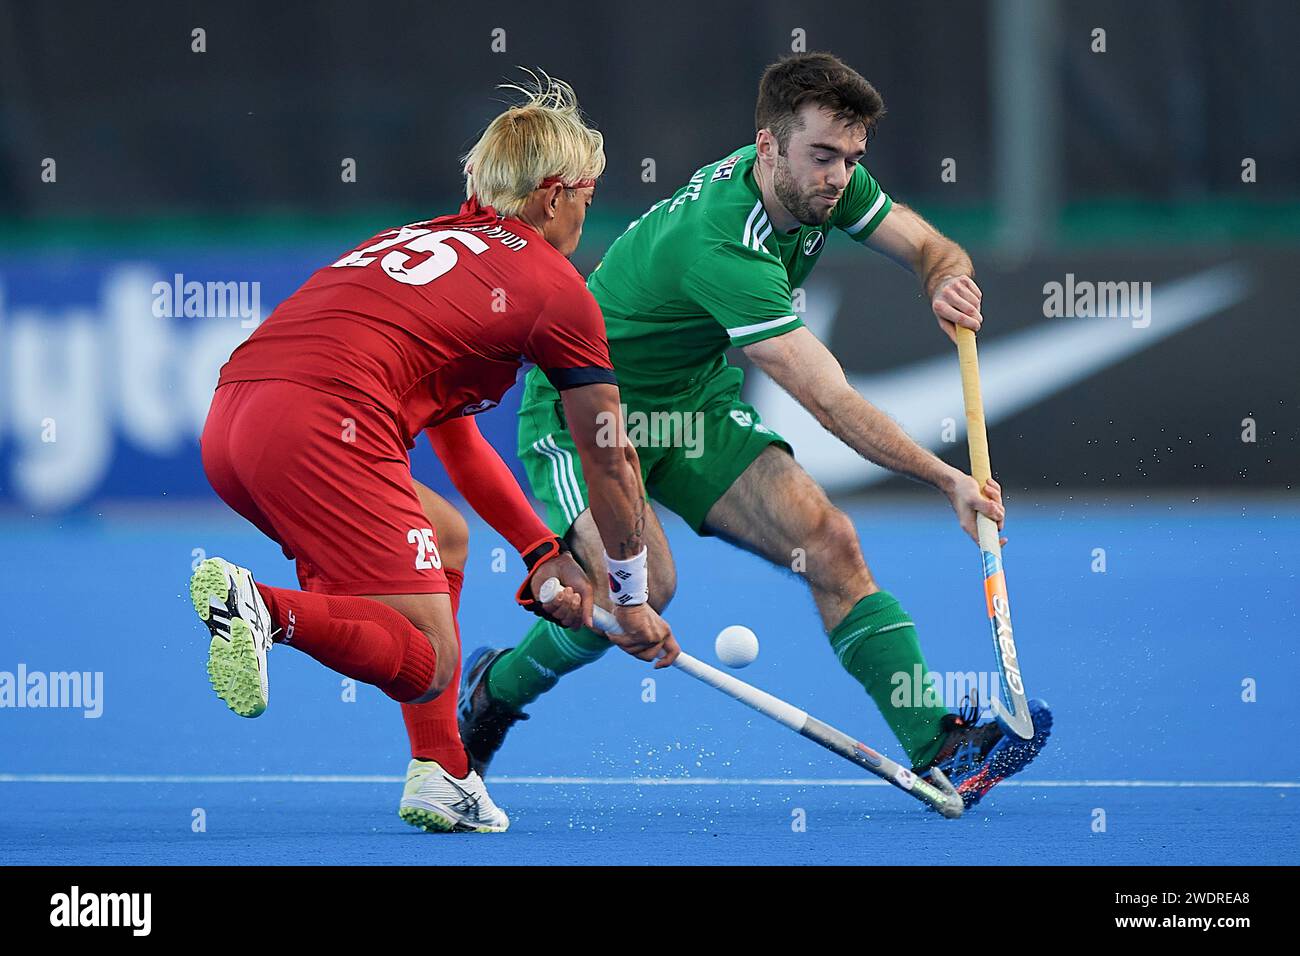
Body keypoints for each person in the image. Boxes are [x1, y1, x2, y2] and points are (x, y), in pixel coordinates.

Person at [462, 53, 1052, 809]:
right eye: (823, 157)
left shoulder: (817, 182)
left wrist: (943, 277)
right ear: (768, 147)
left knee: (830, 541)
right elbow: (829, 400)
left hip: (694, 407)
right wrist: (946, 480)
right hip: (585, 413)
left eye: (851, 159)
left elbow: (928, 245)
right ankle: (495, 691)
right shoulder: (723, 242)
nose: (839, 179)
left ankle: (938, 747)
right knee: (646, 589)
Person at [191, 74, 677, 834]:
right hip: (324, 425)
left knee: (444, 537)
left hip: (233, 423)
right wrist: (631, 589)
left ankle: (444, 774)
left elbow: (455, 437)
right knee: (430, 656)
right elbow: (609, 456)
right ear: (552, 197)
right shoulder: (554, 287)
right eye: (586, 192)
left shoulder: (418, 240)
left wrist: (541, 550)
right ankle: (261, 608)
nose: (589, 209)